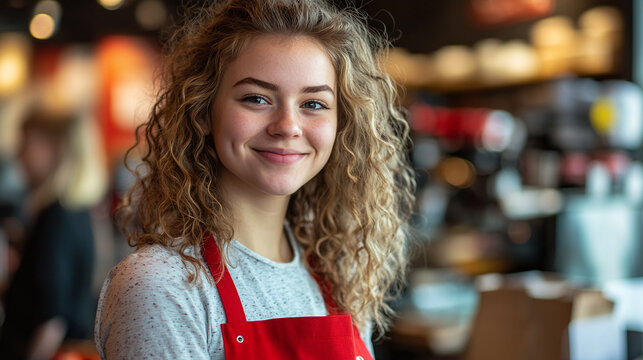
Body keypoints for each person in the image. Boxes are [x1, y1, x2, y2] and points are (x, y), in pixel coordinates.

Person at [94, 0, 415, 358]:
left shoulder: (340, 277)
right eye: (257, 98)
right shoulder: (162, 285)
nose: (288, 126)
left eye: (313, 104)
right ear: (202, 111)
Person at [0, 110, 96, 360]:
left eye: (27, 143)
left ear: (56, 149)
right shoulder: (77, 211)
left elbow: (52, 319)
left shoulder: (57, 216)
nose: (19, 154)